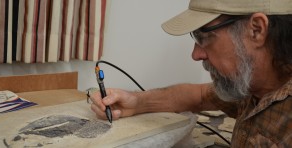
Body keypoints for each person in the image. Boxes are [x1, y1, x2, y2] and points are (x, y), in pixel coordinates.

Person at [90, 0, 292, 147]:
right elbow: (200, 96)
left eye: (204, 36)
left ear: (256, 30)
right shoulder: (250, 85)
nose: (196, 54)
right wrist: (135, 101)